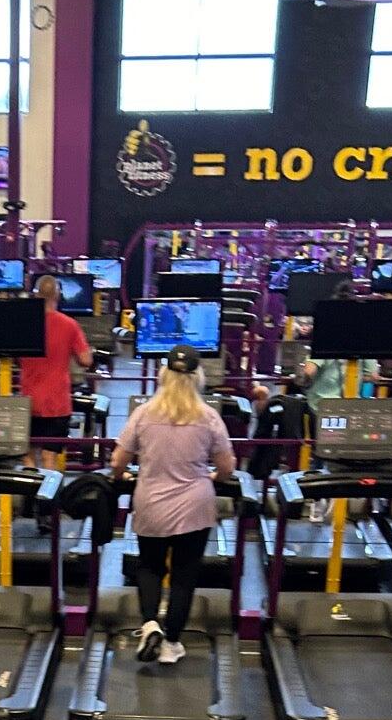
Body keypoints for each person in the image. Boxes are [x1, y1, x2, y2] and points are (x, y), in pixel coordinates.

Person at [110, 345, 236, 666]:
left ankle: (151, 623)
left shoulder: (144, 414)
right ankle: (172, 644)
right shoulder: (208, 417)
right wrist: (212, 475)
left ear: (163, 374)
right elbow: (227, 467)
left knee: (150, 567)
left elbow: (117, 461)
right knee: (184, 574)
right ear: (198, 377)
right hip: (194, 506)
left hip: (151, 504)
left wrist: (124, 475)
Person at [22, 275, 93, 465]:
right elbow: (86, 360)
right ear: (58, 295)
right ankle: (50, 484)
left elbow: (14, 358)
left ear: (36, 295)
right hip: (58, 403)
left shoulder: (25, 323)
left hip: (29, 402)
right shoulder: (70, 325)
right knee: (49, 457)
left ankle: (30, 481)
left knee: (27, 453)